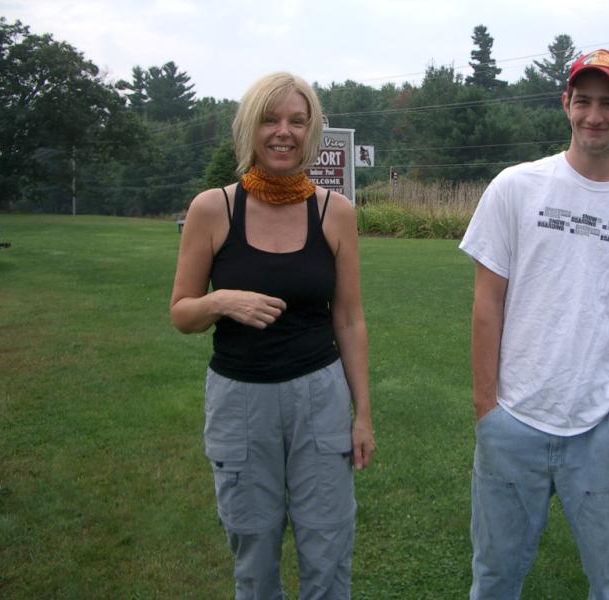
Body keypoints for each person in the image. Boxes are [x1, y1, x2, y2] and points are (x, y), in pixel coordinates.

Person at [460, 49, 609, 599]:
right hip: (512, 424)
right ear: (565, 103)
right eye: (584, 101)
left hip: (602, 432)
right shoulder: (516, 187)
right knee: (493, 579)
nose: (595, 115)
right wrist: (487, 407)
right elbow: (487, 302)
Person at [170, 71, 374, 600]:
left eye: (297, 121)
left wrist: (362, 414)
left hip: (320, 398)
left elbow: (349, 319)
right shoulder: (213, 209)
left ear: (311, 132)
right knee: (254, 551)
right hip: (240, 402)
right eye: (269, 119)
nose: (283, 132)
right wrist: (220, 301)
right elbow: (182, 313)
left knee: (328, 548)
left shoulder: (335, 212)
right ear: (249, 129)